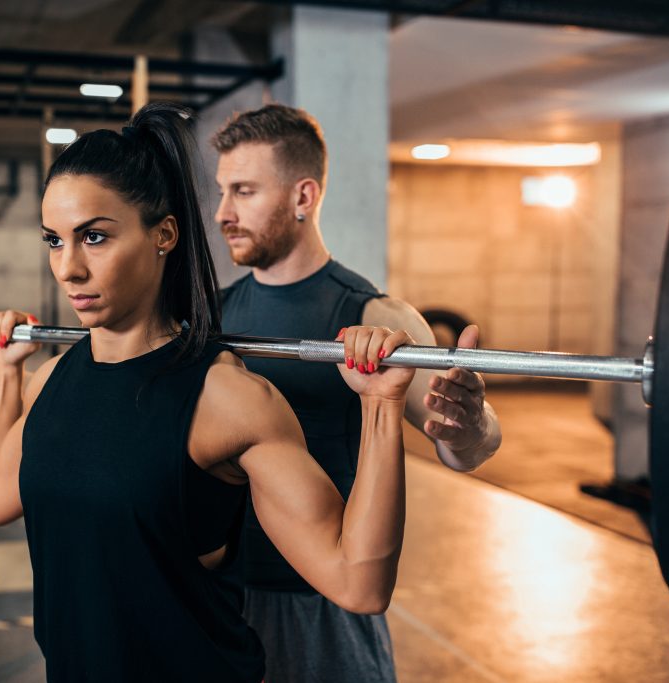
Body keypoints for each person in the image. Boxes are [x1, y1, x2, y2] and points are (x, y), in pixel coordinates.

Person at [0, 102, 417, 683]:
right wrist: (6, 372)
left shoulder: (228, 398)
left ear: (164, 234)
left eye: (94, 237)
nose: (68, 268)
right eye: (54, 241)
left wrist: (382, 405)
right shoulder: (52, 379)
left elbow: (359, 582)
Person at [206, 104, 502, 683]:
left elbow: (466, 445)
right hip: (220, 594)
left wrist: (468, 426)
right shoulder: (213, 314)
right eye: (222, 191)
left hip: (321, 602)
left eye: (243, 191)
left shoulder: (373, 315)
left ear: (303, 196)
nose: (223, 213)